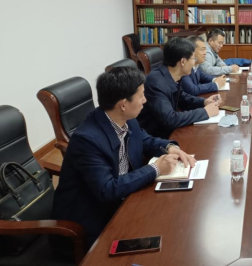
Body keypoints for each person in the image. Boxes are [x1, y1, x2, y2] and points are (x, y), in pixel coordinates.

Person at [52, 67, 196, 248]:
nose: (145, 100)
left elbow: (145, 139)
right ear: (123, 104)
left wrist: (170, 147)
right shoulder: (87, 140)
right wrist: (155, 169)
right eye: (141, 96)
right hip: (90, 223)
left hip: (124, 200)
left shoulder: (125, 118)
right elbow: (107, 189)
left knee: (175, 219)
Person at [137, 38, 222, 138]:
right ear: (183, 61)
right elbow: (170, 119)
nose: (194, 63)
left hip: (167, 132)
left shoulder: (171, 74)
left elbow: (182, 98)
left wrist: (204, 102)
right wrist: (205, 112)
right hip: (155, 137)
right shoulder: (156, 83)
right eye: (193, 59)